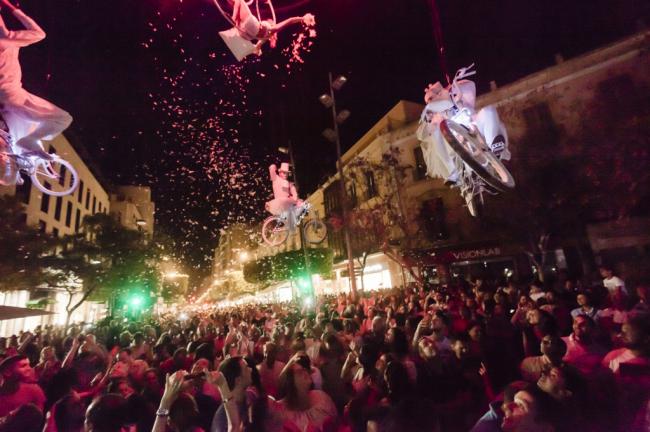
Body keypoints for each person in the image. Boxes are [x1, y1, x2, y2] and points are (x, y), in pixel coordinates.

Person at [416, 65, 510, 187]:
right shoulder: (434, 115)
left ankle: (495, 145)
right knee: (435, 134)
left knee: (489, 110)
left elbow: (469, 87)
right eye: (430, 99)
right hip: (455, 141)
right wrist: (431, 121)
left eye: (435, 95)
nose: (434, 99)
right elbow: (422, 133)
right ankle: (452, 172)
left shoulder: (455, 94)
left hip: (473, 127)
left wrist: (453, 88)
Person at [0, 0, 72, 159]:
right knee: (62, 118)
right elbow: (39, 33)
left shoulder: (8, 39)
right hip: (14, 96)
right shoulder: (9, 40)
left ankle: (21, 150)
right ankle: (27, 143)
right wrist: (12, 9)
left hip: (8, 97)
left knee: (25, 128)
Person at [218, 0, 315, 61]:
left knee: (239, 1)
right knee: (235, 3)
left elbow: (289, 21)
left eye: (270, 21)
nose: (270, 20)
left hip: (250, 28)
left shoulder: (272, 29)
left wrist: (302, 18)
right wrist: (256, 49)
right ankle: (233, 19)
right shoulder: (266, 37)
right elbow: (258, 46)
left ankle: (233, 19)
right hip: (247, 34)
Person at [266, 162, 304, 229]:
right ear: (280, 172)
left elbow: (294, 192)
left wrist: (295, 198)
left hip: (286, 203)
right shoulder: (276, 179)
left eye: (287, 173)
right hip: (280, 202)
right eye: (284, 173)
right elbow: (271, 169)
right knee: (293, 203)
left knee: (300, 203)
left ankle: (293, 221)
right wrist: (274, 166)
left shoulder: (289, 183)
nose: (286, 175)